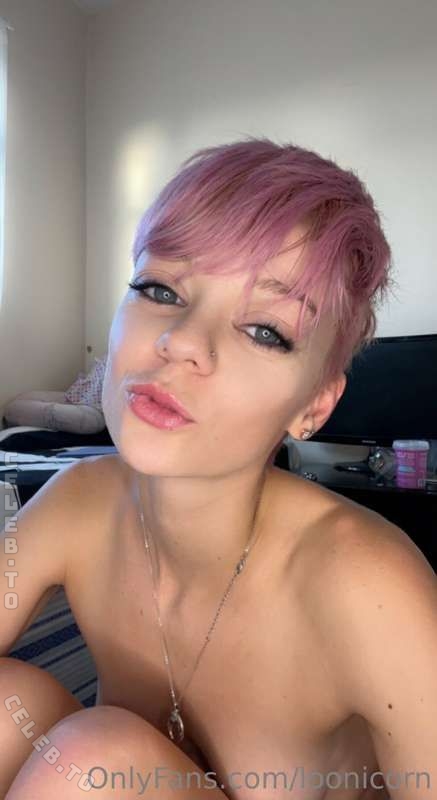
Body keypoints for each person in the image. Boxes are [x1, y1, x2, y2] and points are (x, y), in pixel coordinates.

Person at [2, 137, 437, 799]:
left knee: (93, 760)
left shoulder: (368, 585)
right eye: (160, 289)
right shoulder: (76, 502)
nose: (181, 342)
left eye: (264, 330)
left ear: (314, 406)